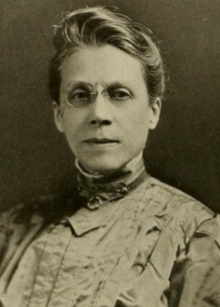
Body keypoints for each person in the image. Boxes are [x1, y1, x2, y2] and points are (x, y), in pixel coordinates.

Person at [0, 5, 219, 307]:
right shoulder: (13, 230)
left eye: (119, 94)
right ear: (59, 115)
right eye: (80, 95)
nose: (99, 114)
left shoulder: (195, 235)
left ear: (153, 111)